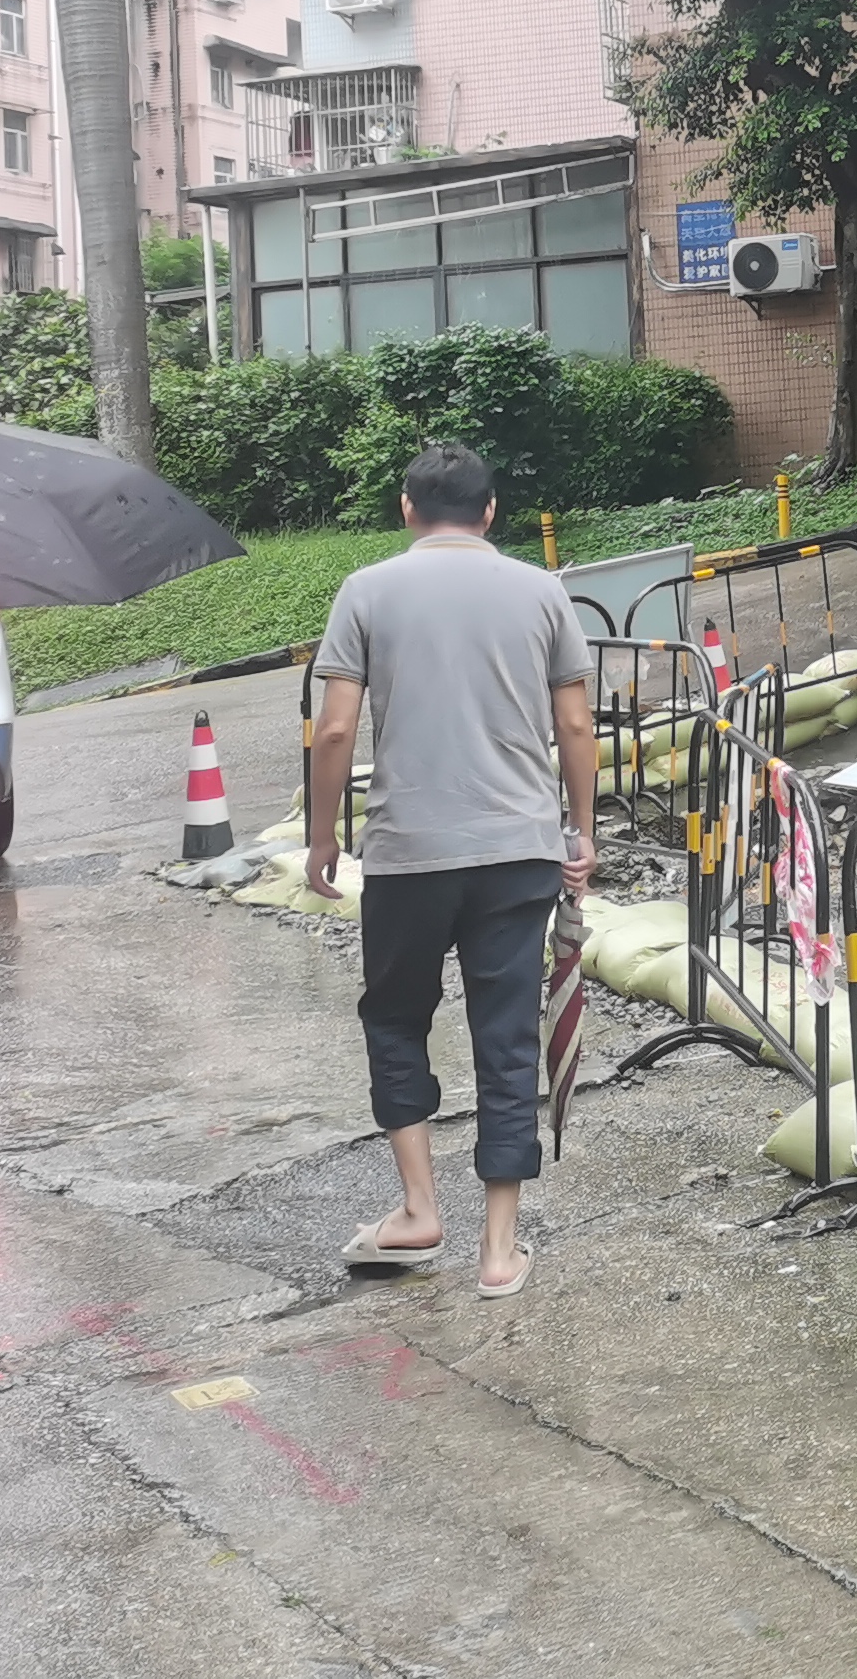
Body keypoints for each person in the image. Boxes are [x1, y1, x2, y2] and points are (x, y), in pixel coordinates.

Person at [306, 440, 597, 1299]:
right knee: (506, 1038)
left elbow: (334, 729)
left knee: (396, 1018)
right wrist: (580, 831)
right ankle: (499, 1252)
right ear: (491, 511)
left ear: (407, 509)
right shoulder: (541, 591)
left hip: (409, 854)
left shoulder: (366, 590)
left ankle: (419, 1210)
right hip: (518, 851)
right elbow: (575, 727)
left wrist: (322, 838)